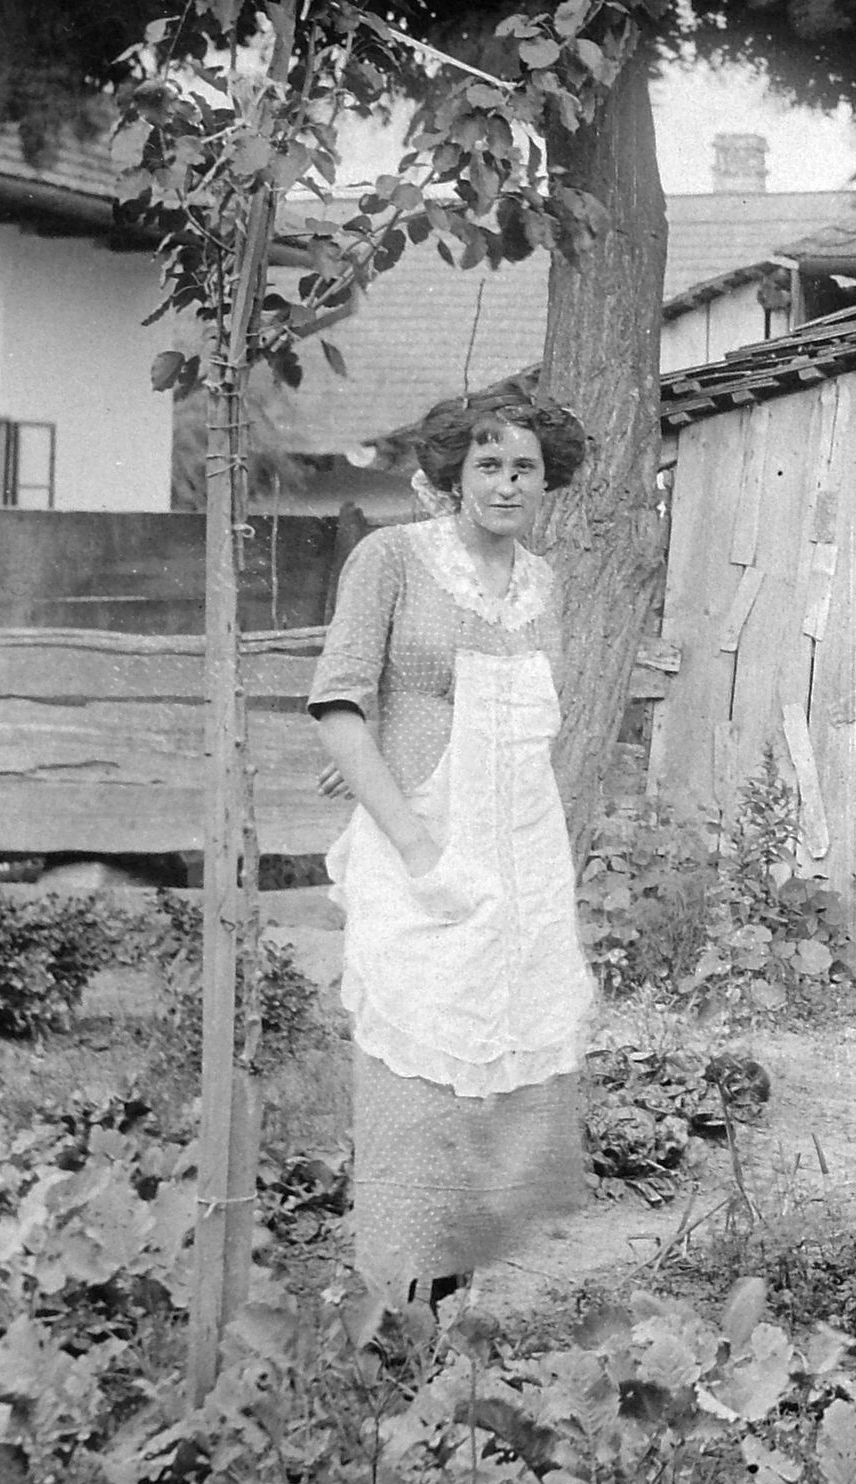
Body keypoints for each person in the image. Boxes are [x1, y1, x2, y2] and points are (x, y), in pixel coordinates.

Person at [307, 378, 595, 1309]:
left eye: (526, 469)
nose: (507, 484)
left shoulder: (543, 585)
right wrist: (416, 846)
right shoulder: (392, 559)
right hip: (420, 846)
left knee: (495, 1091)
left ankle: (454, 1311)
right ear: (452, 472)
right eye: (488, 464)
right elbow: (342, 699)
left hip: (520, 850)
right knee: (413, 1077)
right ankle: (394, 1318)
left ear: (545, 484)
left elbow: (509, 718)